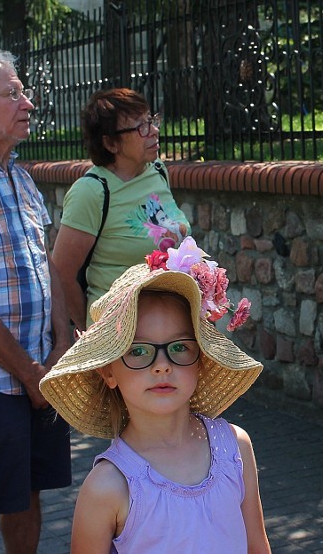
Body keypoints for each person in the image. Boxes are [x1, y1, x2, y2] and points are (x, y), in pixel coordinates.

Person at [40, 237, 269, 553]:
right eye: (138, 351)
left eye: (179, 347)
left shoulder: (234, 448)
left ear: (200, 360)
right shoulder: (108, 487)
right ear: (108, 372)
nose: (162, 365)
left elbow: (257, 546)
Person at [0, 49, 72, 554]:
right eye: (14, 94)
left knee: (27, 493)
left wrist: (62, 345)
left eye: (24, 91)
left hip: (39, 372)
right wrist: (31, 375)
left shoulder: (19, 174)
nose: (28, 103)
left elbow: (47, 264)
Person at [51, 87, 190, 331]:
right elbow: (61, 275)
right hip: (117, 333)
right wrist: (93, 329)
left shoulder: (157, 170)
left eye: (152, 120)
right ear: (111, 143)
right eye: (141, 127)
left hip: (165, 324)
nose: (154, 131)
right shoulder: (92, 192)